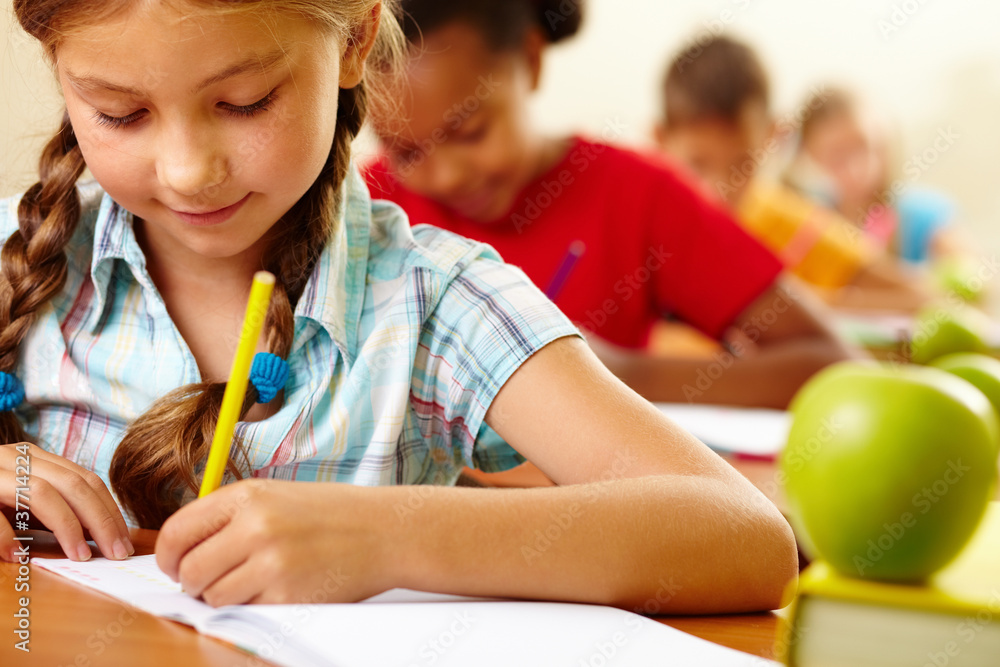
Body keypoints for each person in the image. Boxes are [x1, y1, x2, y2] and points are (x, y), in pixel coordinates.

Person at [0, 0, 797, 614]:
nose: (186, 170)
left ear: (354, 40)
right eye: (119, 113)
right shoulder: (20, 254)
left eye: (243, 101)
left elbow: (744, 536)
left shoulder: (435, 303)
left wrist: (385, 535)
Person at [365, 0, 862, 411]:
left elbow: (831, 361)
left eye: (470, 132)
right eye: (406, 151)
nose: (448, 173)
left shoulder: (640, 195)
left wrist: (623, 375)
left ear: (531, 60)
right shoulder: (365, 209)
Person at [655, 35, 934, 313]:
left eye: (743, 165)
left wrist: (794, 304)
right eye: (697, 165)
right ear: (659, 140)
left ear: (774, 135)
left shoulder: (793, 223)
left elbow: (918, 295)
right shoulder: (643, 228)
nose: (719, 190)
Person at [786, 88, 980, 301]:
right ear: (812, 155)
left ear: (884, 141)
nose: (856, 167)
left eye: (864, 146)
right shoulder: (810, 220)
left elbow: (974, 284)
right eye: (837, 155)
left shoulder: (925, 214)